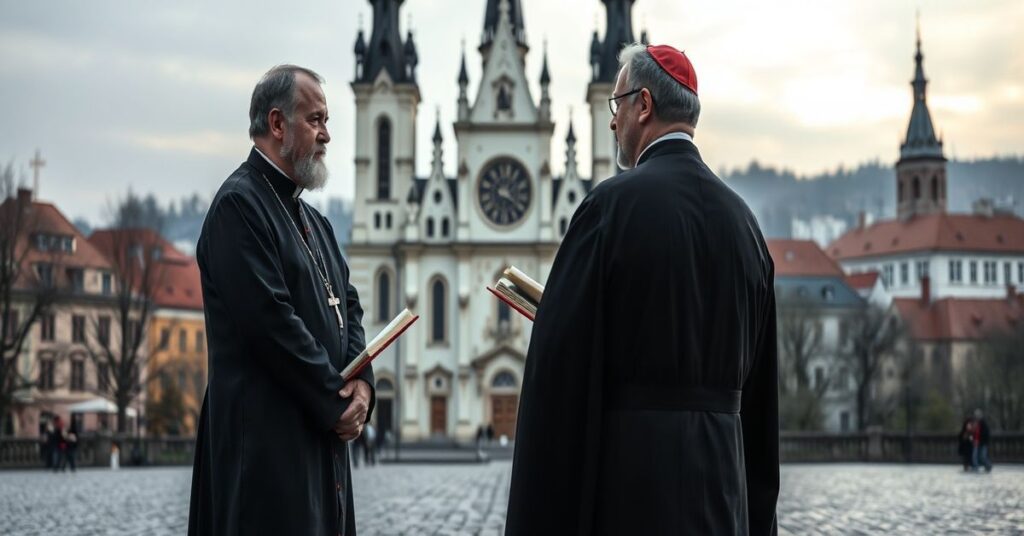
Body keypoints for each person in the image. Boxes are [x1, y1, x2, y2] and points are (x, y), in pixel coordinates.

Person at [505, 43, 779, 535]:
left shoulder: (607, 209)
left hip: (633, 492)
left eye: (617, 105)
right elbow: (762, 409)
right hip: (723, 495)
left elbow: (558, 385)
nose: (613, 121)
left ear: (644, 105)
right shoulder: (747, 227)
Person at [188, 65, 375, 536]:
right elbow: (271, 325)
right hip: (265, 450)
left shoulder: (318, 223)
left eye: (326, 121)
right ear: (277, 124)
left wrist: (362, 385)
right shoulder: (239, 207)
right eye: (316, 120)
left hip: (317, 440)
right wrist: (336, 402)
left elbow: (348, 307)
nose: (327, 134)